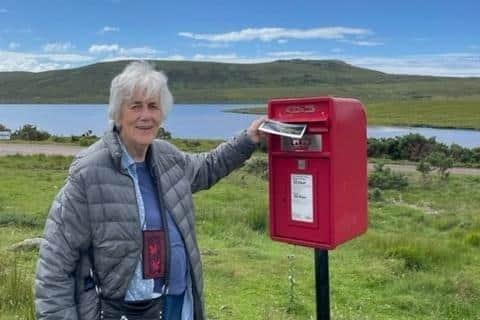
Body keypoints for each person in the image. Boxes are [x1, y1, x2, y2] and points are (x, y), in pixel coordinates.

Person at [35, 60, 265, 320]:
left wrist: (248, 140)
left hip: (177, 304)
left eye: (153, 106)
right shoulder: (90, 173)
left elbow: (207, 167)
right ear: (118, 113)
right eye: (135, 106)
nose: (146, 115)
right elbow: (54, 267)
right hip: (122, 312)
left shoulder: (168, 158)